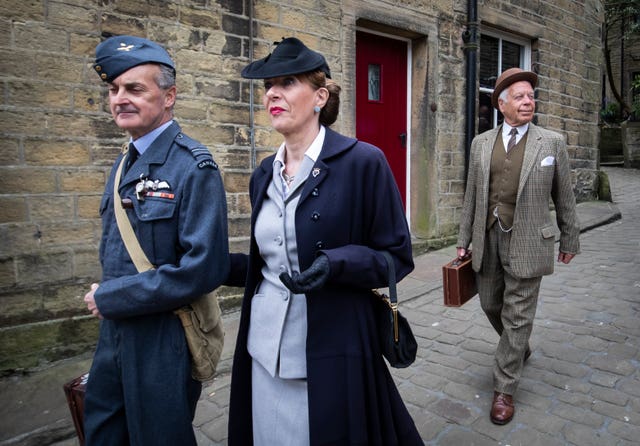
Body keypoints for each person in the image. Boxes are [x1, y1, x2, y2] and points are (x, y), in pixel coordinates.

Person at [225, 37, 423, 445]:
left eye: (287, 82)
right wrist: (218, 265)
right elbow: (270, 262)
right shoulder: (264, 172)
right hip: (262, 350)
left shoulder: (363, 162)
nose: (273, 94)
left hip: (330, 348)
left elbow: (396, 257)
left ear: (319, 96)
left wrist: (337, 264)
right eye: (268, 86)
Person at [82, 35, 229, 445]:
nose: (119, 99)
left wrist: (114, 297)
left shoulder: (193, 166)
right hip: (116, 331)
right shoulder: (124, 160)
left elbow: (205, 267)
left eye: (134, 89)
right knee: (104, 431)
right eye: (114, 90)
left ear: (169, 97)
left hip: (164, 336)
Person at [456, 68, 580, 425]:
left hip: (530, 240)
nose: (529, 102)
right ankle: (518, 345)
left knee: (518, 313)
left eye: (531, 96)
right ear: (502, 104)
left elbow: (565, 196)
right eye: (521, 97)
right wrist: (463, 241)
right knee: (491, 303)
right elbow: (471, 198)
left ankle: (504, 389)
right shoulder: (481, 143)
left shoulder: (551, 142)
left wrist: (570, 237)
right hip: (488, 236)